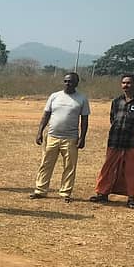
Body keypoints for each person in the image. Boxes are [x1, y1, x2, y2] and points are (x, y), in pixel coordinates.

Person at [90, 74, 134, 209]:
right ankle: (102, 193)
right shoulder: (116, 101)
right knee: (108, 167)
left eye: (129, 83)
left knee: (130, 170)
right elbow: (113, 118)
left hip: (131, 142)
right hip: (115, 140)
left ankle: (131, 198)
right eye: (123, 83)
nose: (125, 85)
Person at [29, 72, 90, 203]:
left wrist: (82, 137)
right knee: (45, 164)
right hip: (52, 136)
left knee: (69, 166)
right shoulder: (54, 96)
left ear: (77, 83)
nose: (68, 84)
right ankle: (40, 190)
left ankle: (65, 193)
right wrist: (40, 132)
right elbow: (46, 115)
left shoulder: (82, 99)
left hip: (71, 138)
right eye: (66, 81)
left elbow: (84, 120)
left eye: (71, 81)